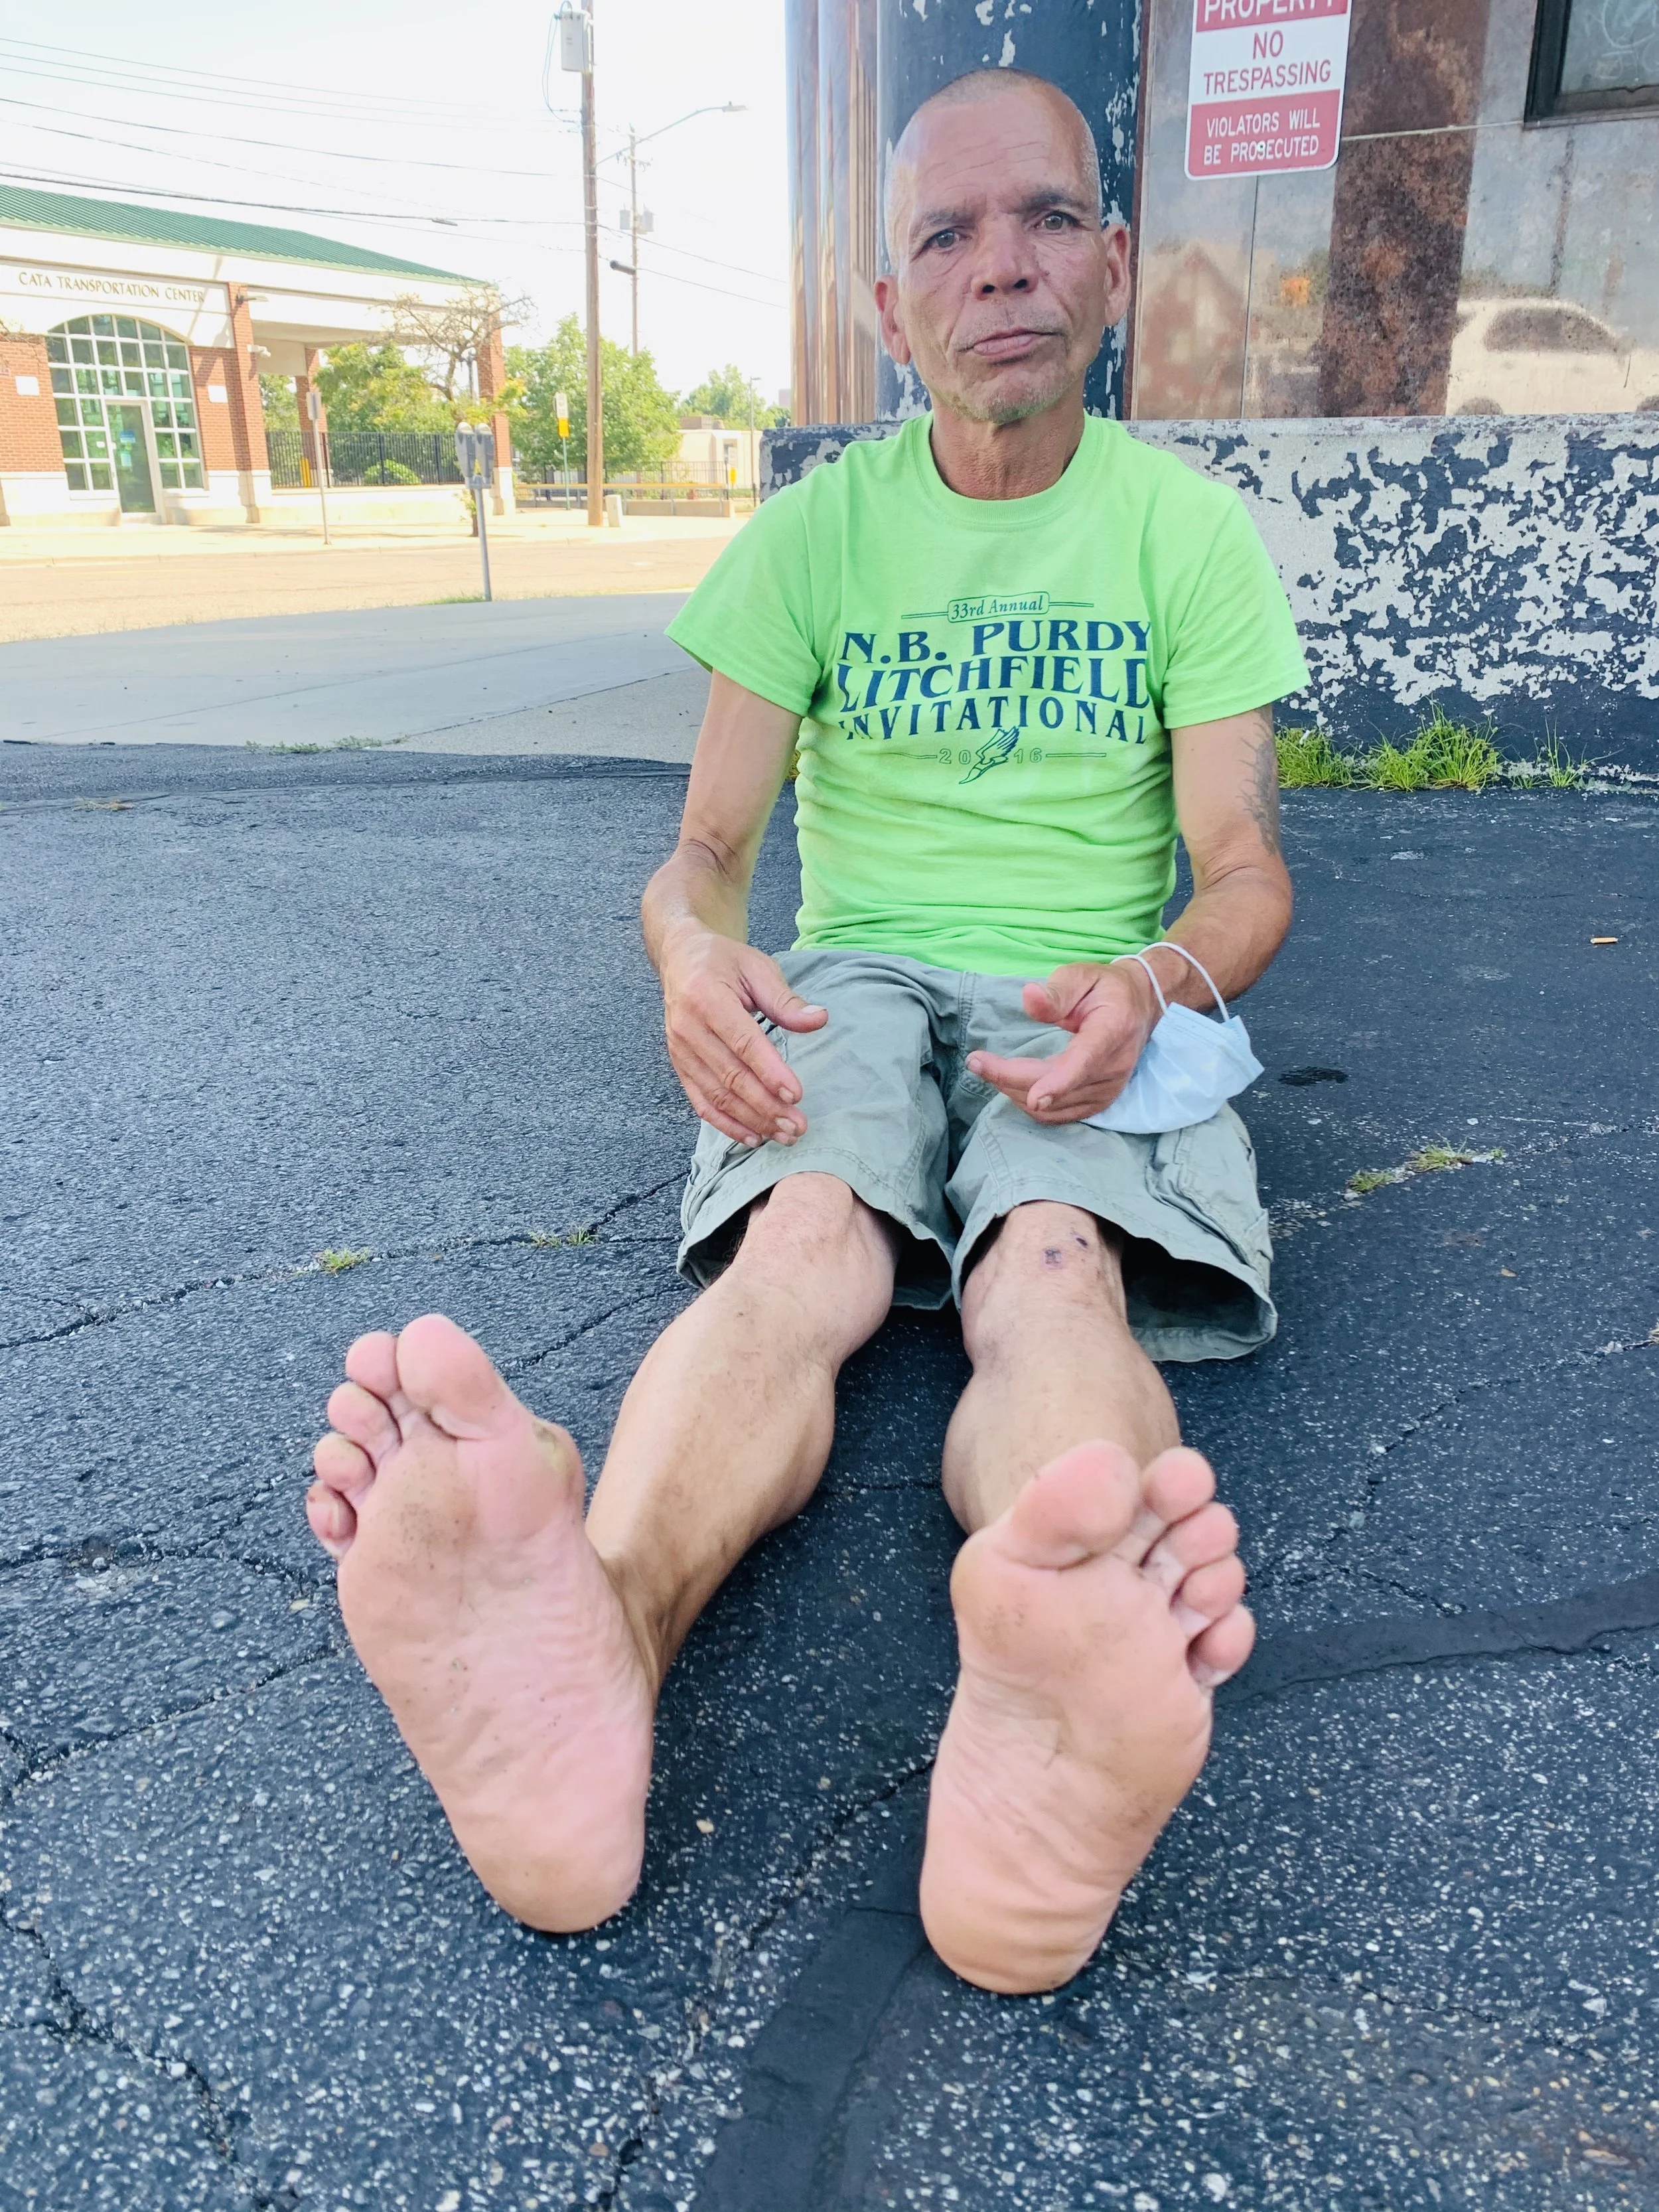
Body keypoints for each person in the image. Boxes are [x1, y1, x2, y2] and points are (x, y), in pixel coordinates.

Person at [305, 66, 1308, 1997]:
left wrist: (1157, 982)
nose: (996, 268)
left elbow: (1241, 870)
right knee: (801, 1248)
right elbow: (697, 856)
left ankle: (1059, 1647)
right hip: (847, 972)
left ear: (1114, 261)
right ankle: (592, 1630)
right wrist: (688, 956)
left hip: (1080, 984)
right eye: (944, 232)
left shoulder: (1187, 536)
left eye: (1040, 221)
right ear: (887, 305)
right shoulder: (810, 539)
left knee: (1046, 1264)